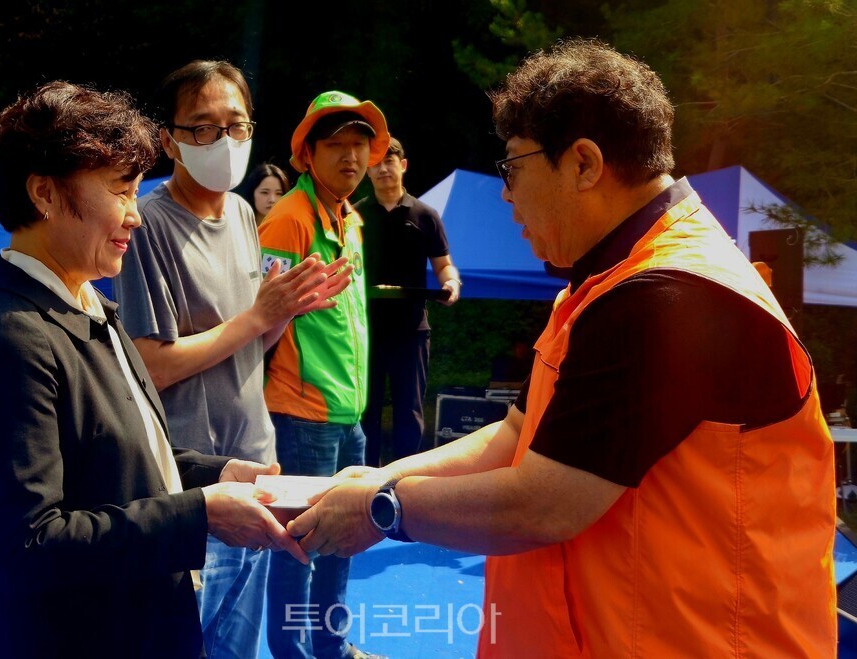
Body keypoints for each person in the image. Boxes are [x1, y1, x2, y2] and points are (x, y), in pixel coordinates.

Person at [290, 39, 837, 657]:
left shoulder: (667, 295)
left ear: (583, 163)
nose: (505, 194)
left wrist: (384, 508)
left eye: (512, 167)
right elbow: (514, 436)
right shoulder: (607, 285)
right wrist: (384, 475)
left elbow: (545, 503)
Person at [0, 81, 309, 659]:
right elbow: (25, 546)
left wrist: (218, 474)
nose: (135, 215)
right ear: (45, 193)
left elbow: (121, 451)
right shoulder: (7, 336)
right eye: (122, 191)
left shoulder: (88, 307)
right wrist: (199, 514)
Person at [113, 61, 349, 659]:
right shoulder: (147, 225)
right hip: (192, 486)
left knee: (236, 649)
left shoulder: (244, 213)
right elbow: (149, 365)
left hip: (255, 468)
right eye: (202, 127)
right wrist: (257, 316)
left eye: (235, 125)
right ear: (168, 140)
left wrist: (285, 311)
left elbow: (248, 346)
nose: (222, 140)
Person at [258, 91, 389, 659]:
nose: (351, 156)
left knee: (342, 539)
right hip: (302, 414)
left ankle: (332, 648)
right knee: (298, 547)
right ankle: (292, 653)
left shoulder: (351, 218)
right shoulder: (288, 219)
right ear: (307, 155)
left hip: (348, 414)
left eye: (360, 144)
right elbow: (259, 315)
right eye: (336, 145)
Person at [356, 137, 460, 466]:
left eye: (389, 161)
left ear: (403, 165)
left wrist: (451, 283)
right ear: (367, 170)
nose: (383, 169)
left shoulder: (425, 215)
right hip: (364, 330)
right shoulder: (353, 215)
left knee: (409, 411)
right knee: (364, 412)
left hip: (412, 330)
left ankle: (405, 483)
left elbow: (443, 265)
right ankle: (362, 482)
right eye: (375, 163)